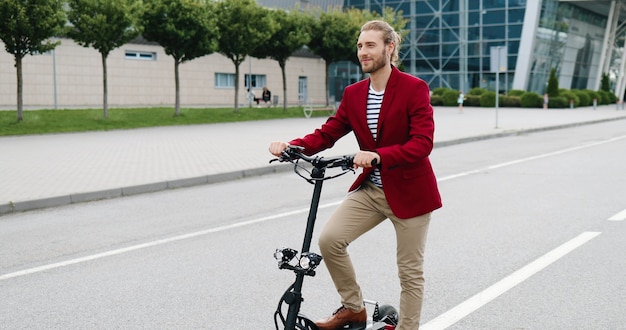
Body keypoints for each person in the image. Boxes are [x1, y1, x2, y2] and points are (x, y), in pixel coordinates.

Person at [269, 20, 441, 330]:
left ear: (390, 48)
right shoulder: (354, 93)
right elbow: (328, 132)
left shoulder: (414, 88)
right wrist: (291, 147)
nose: (363, 51)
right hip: (372, 190)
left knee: (409, 271)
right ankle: (353, 308)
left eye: (371, 45)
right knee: (330, 240)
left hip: (410, 193)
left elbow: (422, 143)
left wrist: (379, 155)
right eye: (360, 46)